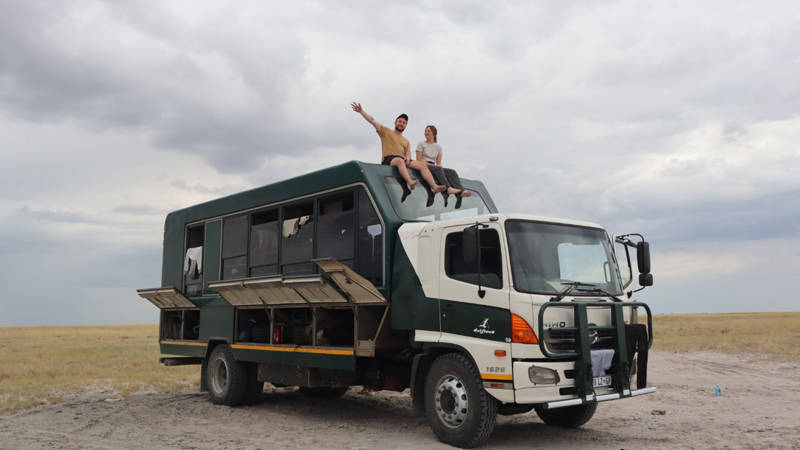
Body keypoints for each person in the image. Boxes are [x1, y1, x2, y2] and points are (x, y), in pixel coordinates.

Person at [351, 102, 445, 193]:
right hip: (389, 159)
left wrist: (408, 157)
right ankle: (410, 182)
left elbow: (408, 152)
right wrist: (361, 111)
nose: (401, 123)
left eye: (404, 123)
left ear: (406, 126)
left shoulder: (406, 141)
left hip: (403, 159)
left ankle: (434, 187)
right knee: (400, 161)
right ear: (395, 122)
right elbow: (372, 120)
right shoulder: (386, 131)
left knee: (422, 165)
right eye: (400, 121)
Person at [415, 125, 471, 198]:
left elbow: (438, 163)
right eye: (425, 131)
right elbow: (419, 160)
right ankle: (448, 188)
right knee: (438, 168)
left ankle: (461, 191)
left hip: (434, 167)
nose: (426, 133)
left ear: (434, 133)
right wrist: (435, 166)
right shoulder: (421, 144)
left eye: (428, 131)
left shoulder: (438, 147)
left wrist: (437, 167)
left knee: (452, 172)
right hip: (423, 165)